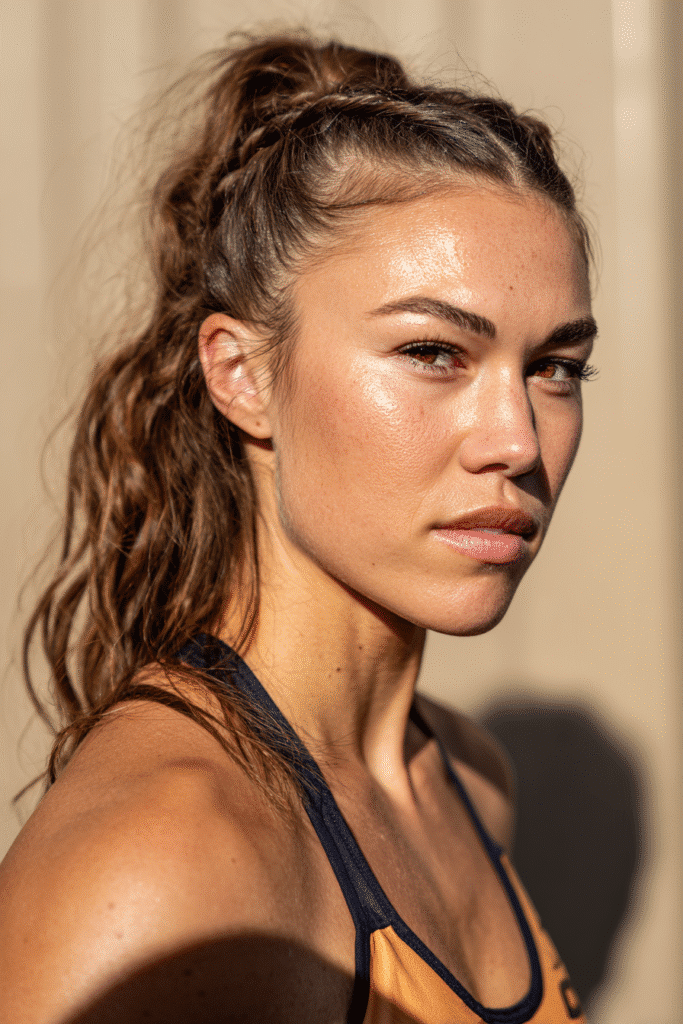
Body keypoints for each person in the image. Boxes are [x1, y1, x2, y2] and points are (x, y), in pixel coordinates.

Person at [0, 32, 596, 1023]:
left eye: (555, 366)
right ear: (241, 374)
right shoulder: (158, 864)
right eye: (432, 351)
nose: (517, 440)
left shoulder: (466, 780)